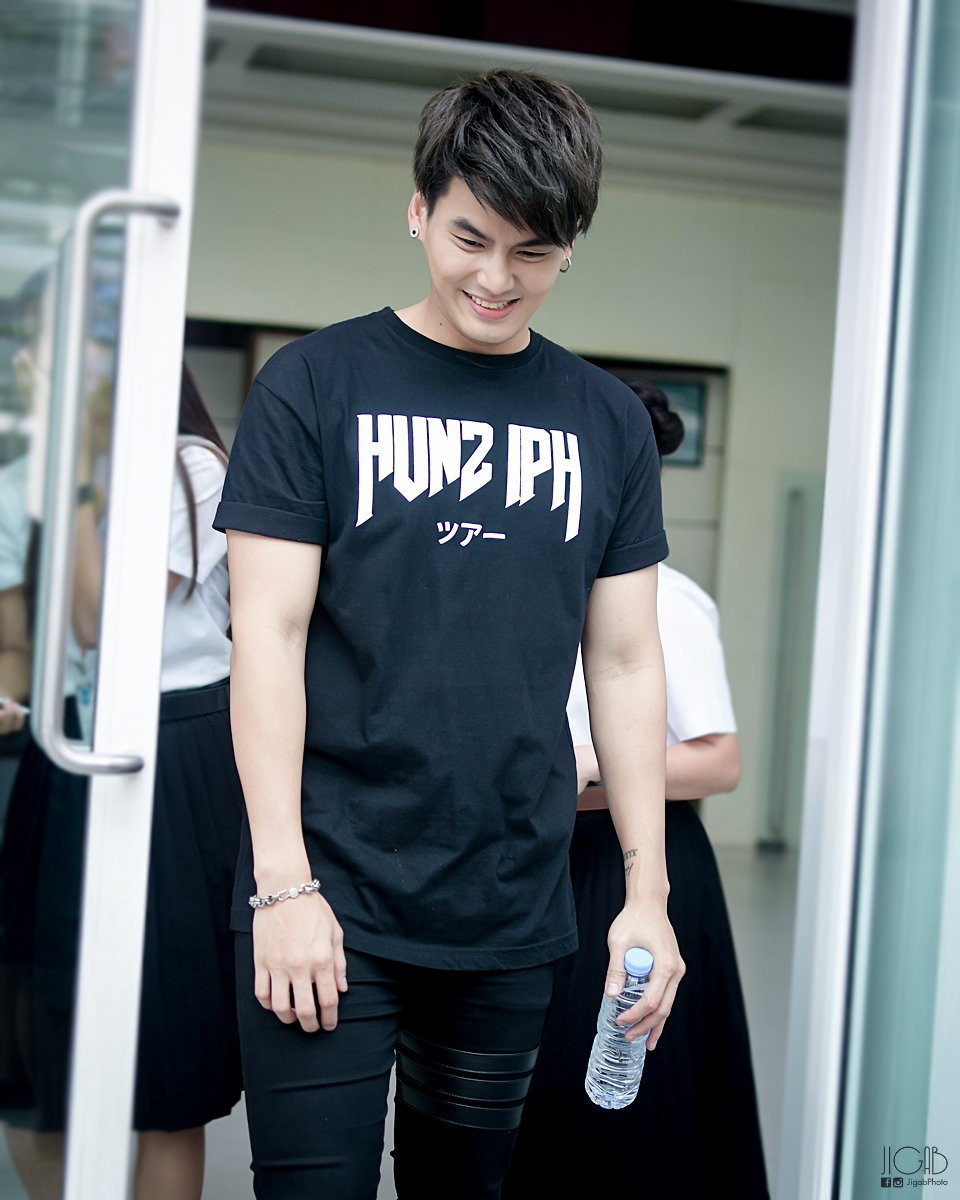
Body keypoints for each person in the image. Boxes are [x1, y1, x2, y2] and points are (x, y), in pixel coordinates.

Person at [215, 68, 684, 1200]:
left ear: (570, 247)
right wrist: (283, 886)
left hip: (510, 903)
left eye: (534, 252)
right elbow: (267, 635)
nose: (496, 278)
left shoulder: (606, 422)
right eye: (471, 237)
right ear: (419, 207)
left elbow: (625, 660)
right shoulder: (314, 385)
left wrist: (648, 896)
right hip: (327, 885)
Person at [503, 384, 769, 1200]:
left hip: (624, 862)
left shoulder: (666, 597)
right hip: (549, 857)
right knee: (543, 1101)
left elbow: (719, 761)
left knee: (620, 1109)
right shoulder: (535, 581)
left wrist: (584, 765)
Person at [0, 363, 245, 1200]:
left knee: (165, 1072)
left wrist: (71, 478)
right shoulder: (76, 477)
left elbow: (102, 621)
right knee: (41, 1039)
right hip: (74, 738)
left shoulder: (193, 468)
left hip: (173, 751)